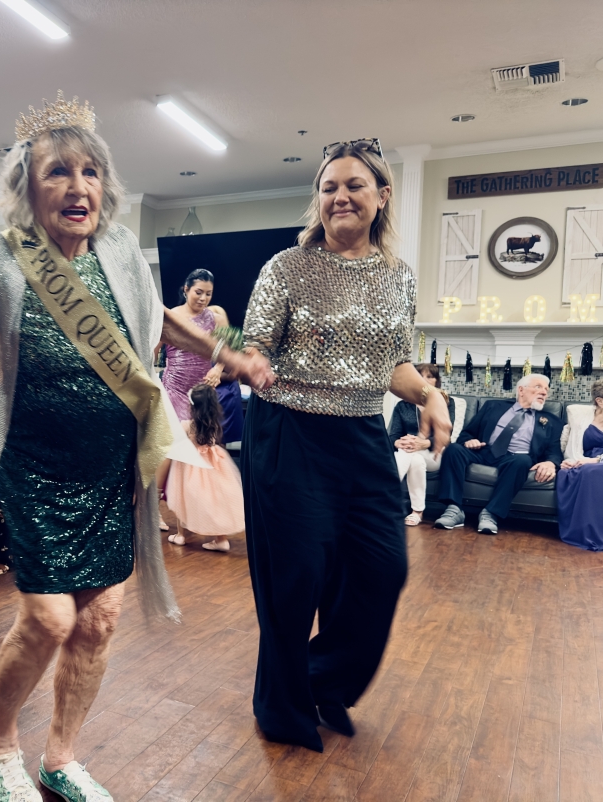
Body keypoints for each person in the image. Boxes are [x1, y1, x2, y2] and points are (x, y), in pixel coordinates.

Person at [0, 92, 273, 802]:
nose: (78, 187)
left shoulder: (119, 256)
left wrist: (232, 349)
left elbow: (166, 323)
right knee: (48, 615)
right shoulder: (0, 259)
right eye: (57, 173)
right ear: (27, 188)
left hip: (111, 468)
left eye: (89, 172)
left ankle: (62, 756)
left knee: (100, 618)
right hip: (37, 467)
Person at [241, 138, 452, 752]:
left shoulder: (397, 278)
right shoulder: (286, 266)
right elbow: (255, 346)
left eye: (354, 185)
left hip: (360, 432)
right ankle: (281, 707)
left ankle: (318, 678)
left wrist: (428, 396)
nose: (340, 196)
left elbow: (392, 364)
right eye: (329, 187)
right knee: (296, 576)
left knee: (383, 568)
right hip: (290, 431)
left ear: (381, 197)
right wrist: (249, 363)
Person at [434, 373, 562, 535]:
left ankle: (490, 514)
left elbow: (555, 451)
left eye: (546, 389)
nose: (544, 392)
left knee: (523, 461)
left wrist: (550, 463)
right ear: (521, 390)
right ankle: (454, 509)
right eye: (538, 387)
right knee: (453, 449)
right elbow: (467, 433)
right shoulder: (493, 406)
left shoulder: (552, 421)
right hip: (483, 451)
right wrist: (469, 441)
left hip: (515, 458)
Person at [158, 383, 245, 552]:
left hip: (190, 467)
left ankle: (181, 535)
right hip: (215, 464)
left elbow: (176, 445)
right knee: (217, 500)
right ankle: (221, 539)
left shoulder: (186, 425)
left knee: (183, 499)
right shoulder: (215, 424)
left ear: (192, 406)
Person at [388, 363, 456, 526]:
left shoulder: (446, 403)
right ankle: (417, 511)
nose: (424, 380)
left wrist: (424, 443)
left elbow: (446, 435)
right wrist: (401, 442)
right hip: (409, 451)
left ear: (437, 381)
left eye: (429, 376)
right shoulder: (402, 405)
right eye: (419, 376)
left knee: (408, 455)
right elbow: (392, 436)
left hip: (434, 453)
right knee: (413, 458)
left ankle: (382, 501)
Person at [161, 268, 228, 421]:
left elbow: (225, 350)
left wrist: (218, 369)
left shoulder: (218, 320)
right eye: (198, 292)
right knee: (180, 438)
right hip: (174, 388)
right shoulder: (169, 317)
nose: (203, 298)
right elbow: (151, 351)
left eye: (208, 294)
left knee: (202, 438)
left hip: (203, 389)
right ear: (186, 289)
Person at [557, 377, 603, 550]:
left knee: (593, 471)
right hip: (581, 460)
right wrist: (570, 461)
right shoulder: (580, 416)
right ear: (600, 401)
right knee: (566, 473)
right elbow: (569, 443)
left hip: (599, 463)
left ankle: (597, 536)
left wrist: (595, 460)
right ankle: (582, 533)